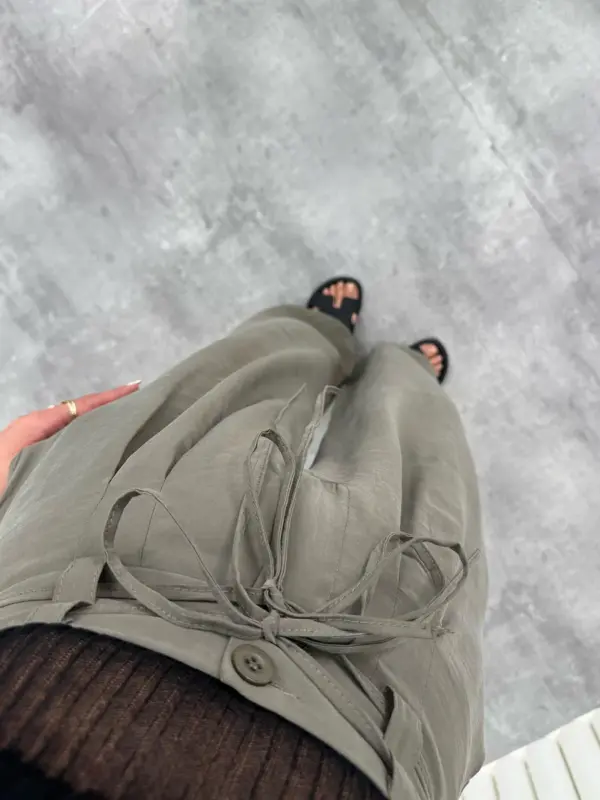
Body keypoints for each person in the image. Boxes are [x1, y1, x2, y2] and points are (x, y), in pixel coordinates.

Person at [0, 278, 487, 800]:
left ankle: (317, 332)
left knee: (231, 388)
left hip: (73, 590)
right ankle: (408, 376)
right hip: (382, 735)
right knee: (421, 474)